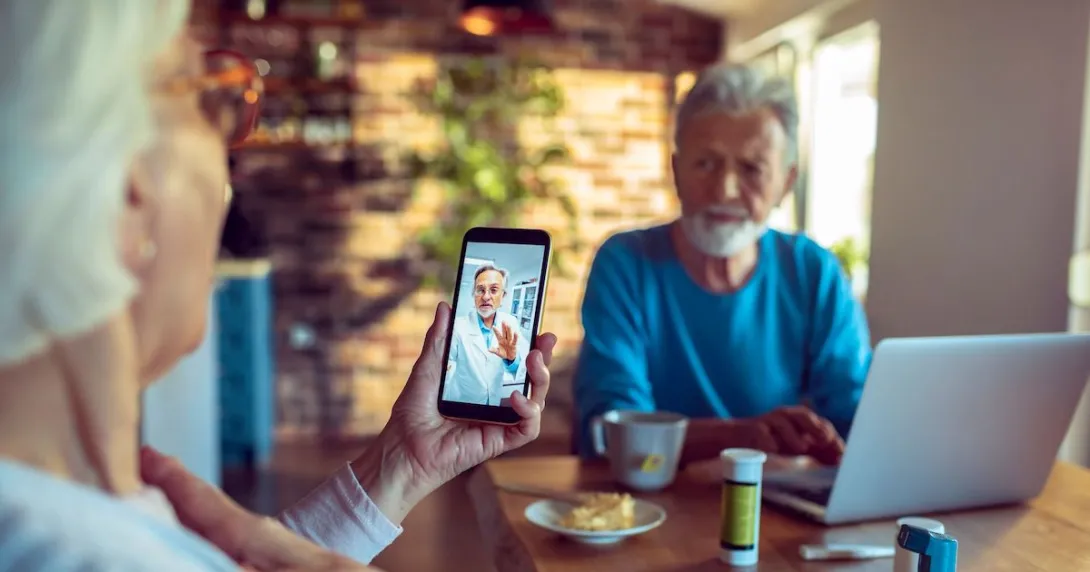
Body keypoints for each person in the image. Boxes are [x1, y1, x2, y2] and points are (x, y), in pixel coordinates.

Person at [0, 1, 556, 570]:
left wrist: (400, 465)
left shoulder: (68, 513)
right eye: (214, 99)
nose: (230, 153)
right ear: (125, 198)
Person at [573, 63, 872, 466]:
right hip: (645, 508)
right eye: (706, 164)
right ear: (676, 172)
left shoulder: (814, 272)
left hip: (777, 510)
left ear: (785, 182)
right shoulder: (625, 263)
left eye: (751, 169)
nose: (725, 189)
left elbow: (856, 417)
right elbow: (609, 430)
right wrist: (743, 437)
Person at [444, 263, 531, 406]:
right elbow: (446, 366)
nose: (486, 297)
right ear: (473, 295)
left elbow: (523, 365)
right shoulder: (457, 326)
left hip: (493, 402)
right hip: (461, 402)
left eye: (494, 290)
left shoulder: (511, 323)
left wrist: (512, 359)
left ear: (503, 296)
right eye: (480, 290)